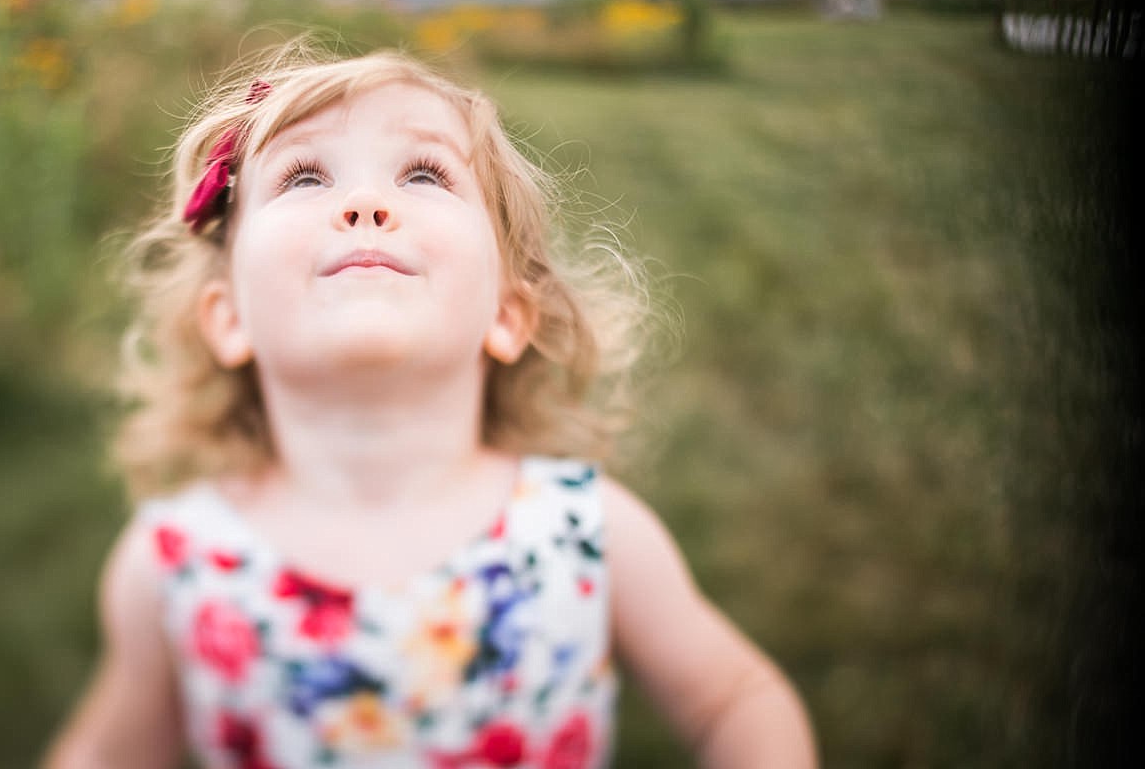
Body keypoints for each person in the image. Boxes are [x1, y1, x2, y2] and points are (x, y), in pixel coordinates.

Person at [46, 43, 816, 768]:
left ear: (508, 314)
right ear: (229, 317)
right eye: (304, 178)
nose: (365, 202)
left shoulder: (588, 534)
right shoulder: (174, 566)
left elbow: (735, 700)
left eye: (423, 174)